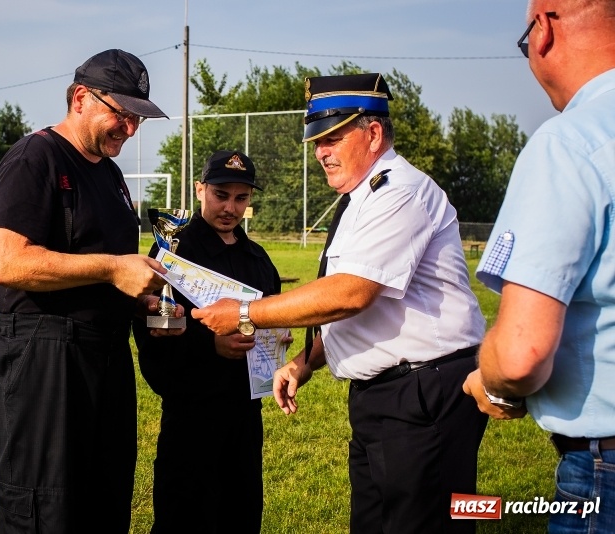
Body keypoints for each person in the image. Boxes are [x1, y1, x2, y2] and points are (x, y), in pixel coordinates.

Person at [192, 73, 488, 534]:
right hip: (389, 397)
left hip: (424, 395)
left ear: (372, 134)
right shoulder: (362, 198)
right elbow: (368, 308)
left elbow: (352, 293)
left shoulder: (398, 193)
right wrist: (307, 362)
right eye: (317, 140)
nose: (321, 152)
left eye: (332, 137)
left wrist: (246, 312)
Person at [0, 49, 176, 533]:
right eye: (122, 114)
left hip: (103, 356)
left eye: (138, 120)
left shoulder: (109, 175)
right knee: (47, 506)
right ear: (81, 98)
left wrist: (140, 301)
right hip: (44, 356)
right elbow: (4, 262)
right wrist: (113, 268)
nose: (130, 129)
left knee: (104, 498)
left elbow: (102, 273)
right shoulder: (35, 158)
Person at [462, 3, 615, 532]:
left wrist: (493, 382)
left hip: (605, 469)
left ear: (543, 30)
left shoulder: (570, 143)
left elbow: (522, 354)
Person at [136, 151, 283, 534]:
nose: (230, 207)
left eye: (241, 198)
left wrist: (275, 338)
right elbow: (152, 329)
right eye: (220, 195)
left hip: (245, 419)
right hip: (191, 416)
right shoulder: (173, 251)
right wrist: (208, 346)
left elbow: (271, 324)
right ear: (200, 189)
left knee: (241, 512)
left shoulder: (259, 260)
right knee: (185, 517)